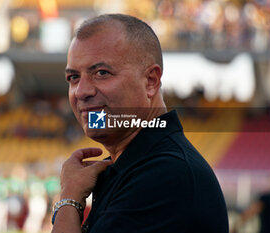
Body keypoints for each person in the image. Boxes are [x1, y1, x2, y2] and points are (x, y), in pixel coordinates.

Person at [51, 14, 229, 233]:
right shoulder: (139, 163)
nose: (82, 91)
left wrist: (69, 197)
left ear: (150, 81)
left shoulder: (165, 174)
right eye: (73, 78)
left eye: (101, 73)